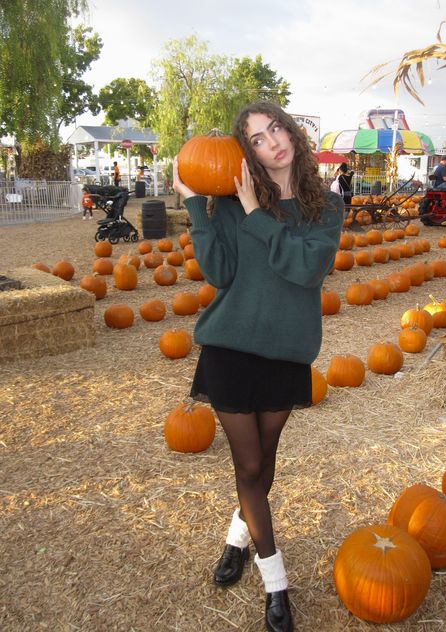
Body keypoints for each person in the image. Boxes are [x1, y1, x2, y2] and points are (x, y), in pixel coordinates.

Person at [173, 101, 343, 632]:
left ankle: (236, 539)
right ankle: (277, 588)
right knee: (248, 467)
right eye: (258, 137)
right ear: (247, 150)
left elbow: (307, 268)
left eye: (277, 128)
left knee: (262, 465)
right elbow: (220, 272)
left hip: (286, 353)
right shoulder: (227, 203)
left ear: (291, 132)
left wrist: (256, 215)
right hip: (230, 348)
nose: (273, 141)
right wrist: (200, 208)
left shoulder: (326, 208)